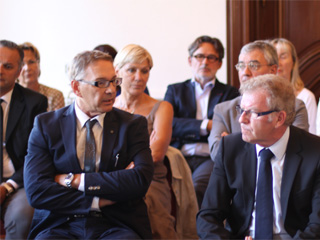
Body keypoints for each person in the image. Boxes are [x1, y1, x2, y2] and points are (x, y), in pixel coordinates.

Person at [24, 50, 154, 239]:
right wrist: (98, 201)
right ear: (76, 88)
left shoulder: (133, 125)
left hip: (116, 223)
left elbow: (139, 181)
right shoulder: (46, 125)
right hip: (60, 223)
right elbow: (37, 191)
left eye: (113, 81)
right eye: (100, 83)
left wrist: (74, 180)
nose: (111, 90)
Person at [197, 74, 320, 239]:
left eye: (252, 113)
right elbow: (207, 217)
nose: (241, 119)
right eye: (241, 110)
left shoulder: (318, 153)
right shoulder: (230, 148)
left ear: (279, 118)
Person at [113, 44, 196, 239]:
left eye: (145, 71)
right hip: (112, 176)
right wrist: (138, 152)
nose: (139, 77)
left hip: (150, 179)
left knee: (152, 210)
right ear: (117, 71)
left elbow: (156, 154)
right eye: (132, 70)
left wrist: (122, 162)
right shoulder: (107, 106)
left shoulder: (162, 107)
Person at [164, 35, 239, 207]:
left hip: (209, 157)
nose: (205, 62)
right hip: (178, 155)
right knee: (169, 189)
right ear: (190, 60)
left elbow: (227, 129)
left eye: (211, 57)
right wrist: (207, 125)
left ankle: (195, 233)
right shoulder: (175, 90)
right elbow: (169, 124)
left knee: (197, 188)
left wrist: (186, 125)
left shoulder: (230, 93)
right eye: (199, 56)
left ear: (219, 63)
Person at [208, 40, 310, 161]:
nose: (245, 72)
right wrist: (270, 140)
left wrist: (232, 141)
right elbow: (217, 154)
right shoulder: (223, 110)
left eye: (253, 66)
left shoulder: (295, 107)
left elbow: (298, 148)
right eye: (241, 66)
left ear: (273, 70)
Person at [0, 40, 47, 239]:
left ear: (19, 71)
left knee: (23, 214)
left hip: (19, 182)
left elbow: (35, 156)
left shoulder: (34, 103)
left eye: (7, 66)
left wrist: (7, 186)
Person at [271, 38, 317, 134]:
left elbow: (312, 135)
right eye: (274, 58)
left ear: (293, 62)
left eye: (283, 57)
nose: (278, 63)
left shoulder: (306, 97)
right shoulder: (261, 97)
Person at [18, 42, 65, 111]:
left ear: (38, 64)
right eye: (22, 64)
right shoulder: (9, 96)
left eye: (31, 62)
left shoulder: (54, 96)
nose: (27, 68)